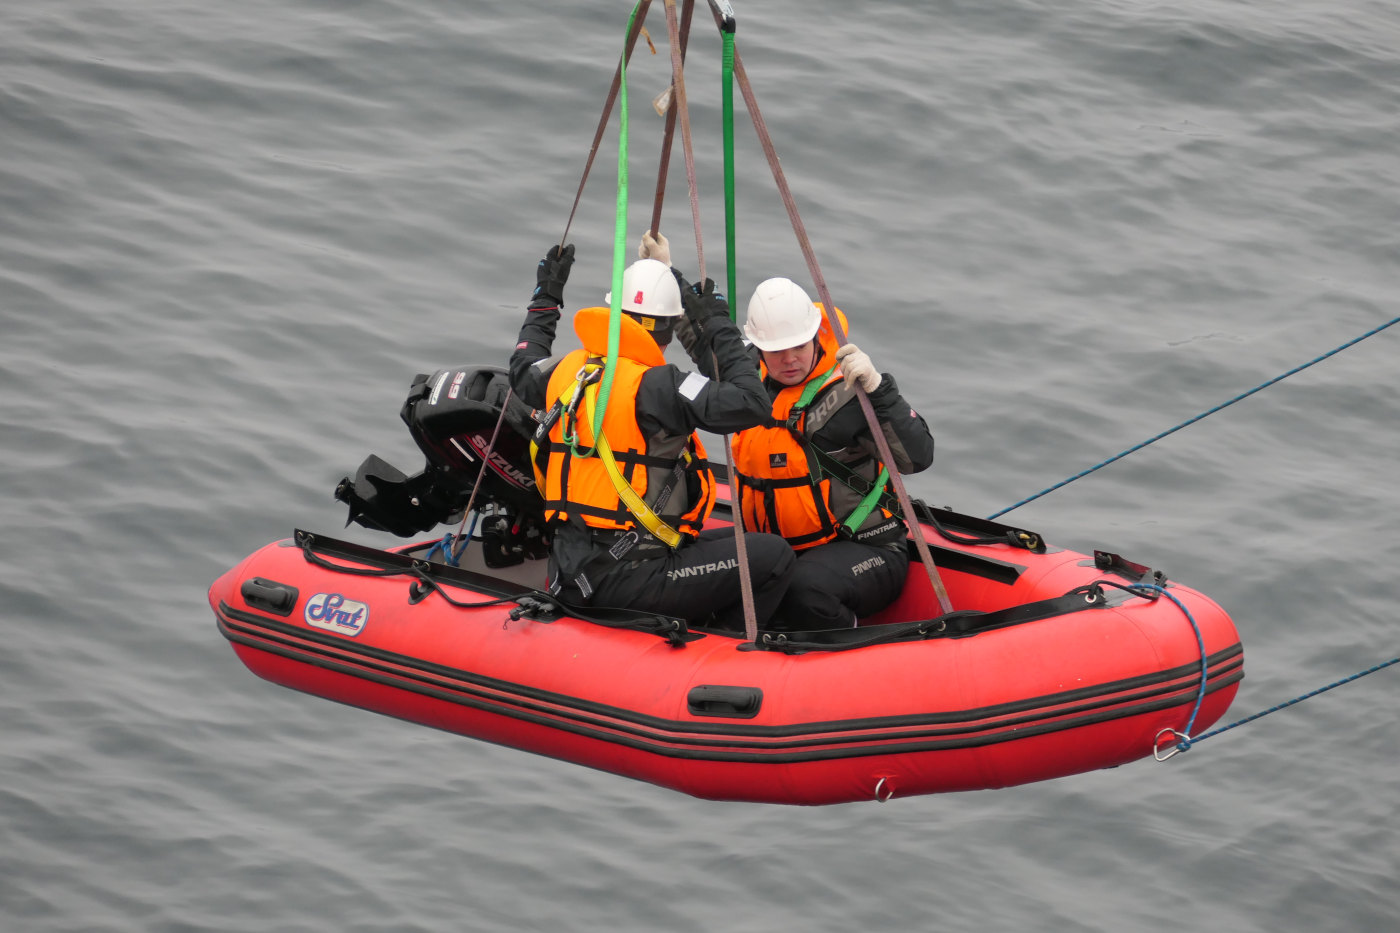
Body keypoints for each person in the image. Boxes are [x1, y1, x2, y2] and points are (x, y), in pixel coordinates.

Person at [508, 236, 795, 631]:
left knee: (733, 541)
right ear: (668, 331)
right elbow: (753, 401)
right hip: (625, 578)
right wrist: (715, 323)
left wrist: (546, 296)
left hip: (571, 571)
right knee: (774, 554)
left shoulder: (569, 371)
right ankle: (721, 643)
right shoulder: (662, 387)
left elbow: (524, 364)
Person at [726, 276, 934, 631]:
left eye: (799, 346)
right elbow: (709, 342)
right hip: (782, 549)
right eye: (776, 351)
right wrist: (667, 274)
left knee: (805, 588)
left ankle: (849, 643)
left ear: (814, 336)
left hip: (867, 548)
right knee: (716, 568)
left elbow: (917, 456)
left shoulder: (848, 396)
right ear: (759, 348)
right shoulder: (748, 375)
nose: (789, 360)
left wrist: (879, 390)